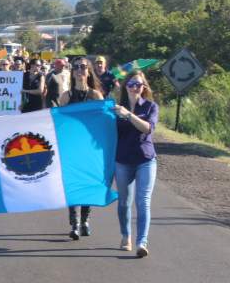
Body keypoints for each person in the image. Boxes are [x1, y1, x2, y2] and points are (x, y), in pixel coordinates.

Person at [112, 71, 159, 258]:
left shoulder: (150, 107)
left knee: (143, 201)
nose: (134, 88)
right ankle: (126, 235)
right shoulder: (115, 109)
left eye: (138, 84)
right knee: (124, 202)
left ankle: (142, 242)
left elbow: (148, 129)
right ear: (125, 86)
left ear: (143, 87)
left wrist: (129, 115)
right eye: (131, 84)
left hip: (145, 159)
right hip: (122, 160)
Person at [60, 56, 103, 241]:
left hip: (90, 149)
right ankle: (74, 223)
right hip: (70, 148)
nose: (79, 70)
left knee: (87, 184)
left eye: (83, 67)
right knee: (72, 185)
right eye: (76, 67)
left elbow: (103, 123)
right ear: (72, 71)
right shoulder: (66, 97)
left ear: (88, 70)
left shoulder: (96, 96)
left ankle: (85, 219)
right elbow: (58, 122)